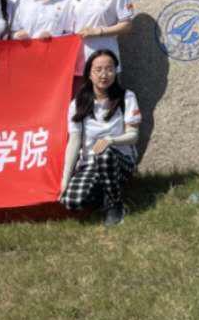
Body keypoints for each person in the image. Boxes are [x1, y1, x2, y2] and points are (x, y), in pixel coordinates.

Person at [60, 49, 140, 226]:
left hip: (120, 161)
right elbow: (74, 142)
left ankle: (115, 205)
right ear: (89, 74)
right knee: (72, 201)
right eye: (98, 70)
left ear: (115, 72)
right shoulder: (77, 104)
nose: (104, 75)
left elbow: (133, 135)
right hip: (90, 163)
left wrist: (111, 140)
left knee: (105, 153)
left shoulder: (126, 97)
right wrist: (65, 179)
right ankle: (105, 193)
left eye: (109, 69)